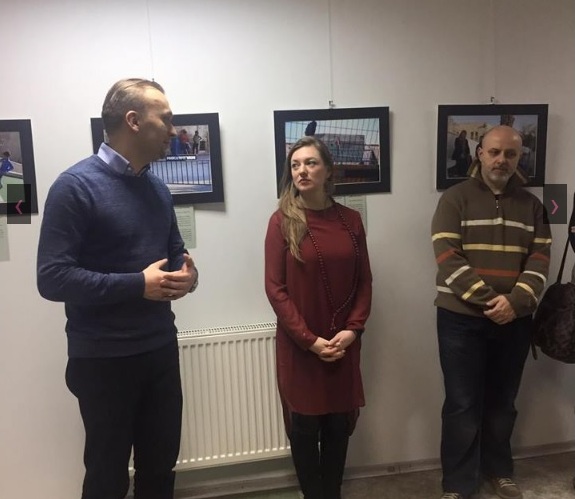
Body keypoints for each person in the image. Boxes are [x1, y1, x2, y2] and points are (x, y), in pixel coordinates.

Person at [37, 78, 199, 499]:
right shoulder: (74, 186)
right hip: (103, 360)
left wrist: (188, 277)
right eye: (165, 119)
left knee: (160, 469)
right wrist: (137, 284)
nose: (173, 130)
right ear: (133, 121)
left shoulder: (157, 188)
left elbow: (176, 255)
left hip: (159, 350)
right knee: (107, 477)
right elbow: (52, 278)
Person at [431, 125, 551, 499]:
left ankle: (499, 470)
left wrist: (515, 302)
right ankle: (458, 483)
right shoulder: (454, 199)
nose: (502, 160)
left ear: (519, 158)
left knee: (503, 402)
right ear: (479, 153)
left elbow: (540, 257)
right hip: (460, 319)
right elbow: (447, 255)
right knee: (462, 403)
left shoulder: (533, 205)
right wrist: (490, 301)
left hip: (515, 320)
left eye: (510, 154)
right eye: (495, 152)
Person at [265, 136, 372, 499]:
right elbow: (275, 289)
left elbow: (364, 281)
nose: (302, 171)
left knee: (338, 426)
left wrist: (353, 330)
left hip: (342, 343)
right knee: (305, 428)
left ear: (328, 171)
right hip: (301, 346)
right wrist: (309, 341)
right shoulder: (281, 222)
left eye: (310, 163)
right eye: (295, 165)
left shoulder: (351, 220)